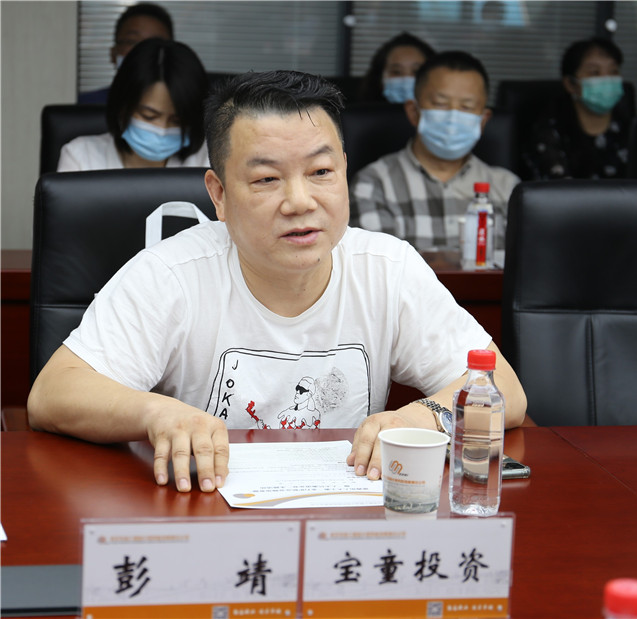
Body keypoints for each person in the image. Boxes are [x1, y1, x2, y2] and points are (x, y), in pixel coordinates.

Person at [27, 70, 527, 494]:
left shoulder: (387, 268)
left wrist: (422, 417)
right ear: (219, 195)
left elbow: (503, 390)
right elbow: (53, 393)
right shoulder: (172, 273)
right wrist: (157, 414)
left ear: (345, 173)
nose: (300, 201)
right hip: (201, 514)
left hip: (343, 520)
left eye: (321, 171)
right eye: (267, 179)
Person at [350, 51, 520, 252]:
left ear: (483, 121)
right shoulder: (374, 185)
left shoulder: (509, 190)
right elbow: (378, 265)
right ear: (414, 112)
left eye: (467, 107)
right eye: (440, 104)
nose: (453, 117)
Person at [58, 38, 209, 171]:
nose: (161, 130)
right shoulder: (81, 157)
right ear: (122, 107)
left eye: (176, 121)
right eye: (149, 116)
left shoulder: (208, 160)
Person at [524, 37, 631, 180]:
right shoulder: (550, 130)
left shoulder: (631, 129)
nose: (606, 79)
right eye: (594, 72)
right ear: (570, 84)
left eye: (613, 71)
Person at [78, 2, 174, 104]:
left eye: (155, 43)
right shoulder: (84, 106)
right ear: (113, 53)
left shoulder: (184, 107)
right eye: (132, 41)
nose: (143, 51)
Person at [358, 32, 435, 103]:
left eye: (416, 72)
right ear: (379, 77)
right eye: (396, 72)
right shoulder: (358, 113)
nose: (406, 81)